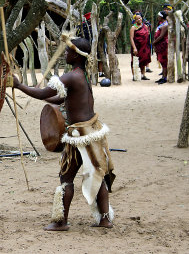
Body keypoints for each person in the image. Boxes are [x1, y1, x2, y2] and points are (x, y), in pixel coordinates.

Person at [12, 37, 115, 231]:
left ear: (76, 55)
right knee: (96, 174)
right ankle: (104, 219)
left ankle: (61, 221)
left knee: (66, 178)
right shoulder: (81, 75)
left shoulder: (71, 76)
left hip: (80, 135)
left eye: (68, 51)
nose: (65, 54)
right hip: (90, 131)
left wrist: (19, 86)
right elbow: (59, 98)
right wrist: (34, 95)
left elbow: (43, 93)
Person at [130, 12, 152, 80]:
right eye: (137, 19)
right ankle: (135, 76)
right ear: (135, 20)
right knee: (135, 61)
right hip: (137, 47)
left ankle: (143, 75)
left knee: (143, 60)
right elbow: (131, 38)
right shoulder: (133, 28)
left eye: (140, 18)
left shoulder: (145, 26)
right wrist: (134, 48)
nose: (139, 20)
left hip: (144, 47)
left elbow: (148, 35)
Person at [152, 11, 168, 84]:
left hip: (163, 45)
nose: (157, 17)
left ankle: (164, 77)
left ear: (161, 17)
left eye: (158, 16)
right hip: (159, 45)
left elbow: (161, 36)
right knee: (161, 60)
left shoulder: (165, 25)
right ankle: (162, 76)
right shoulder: (161, 24)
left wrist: (154, 42)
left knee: (164, 61)